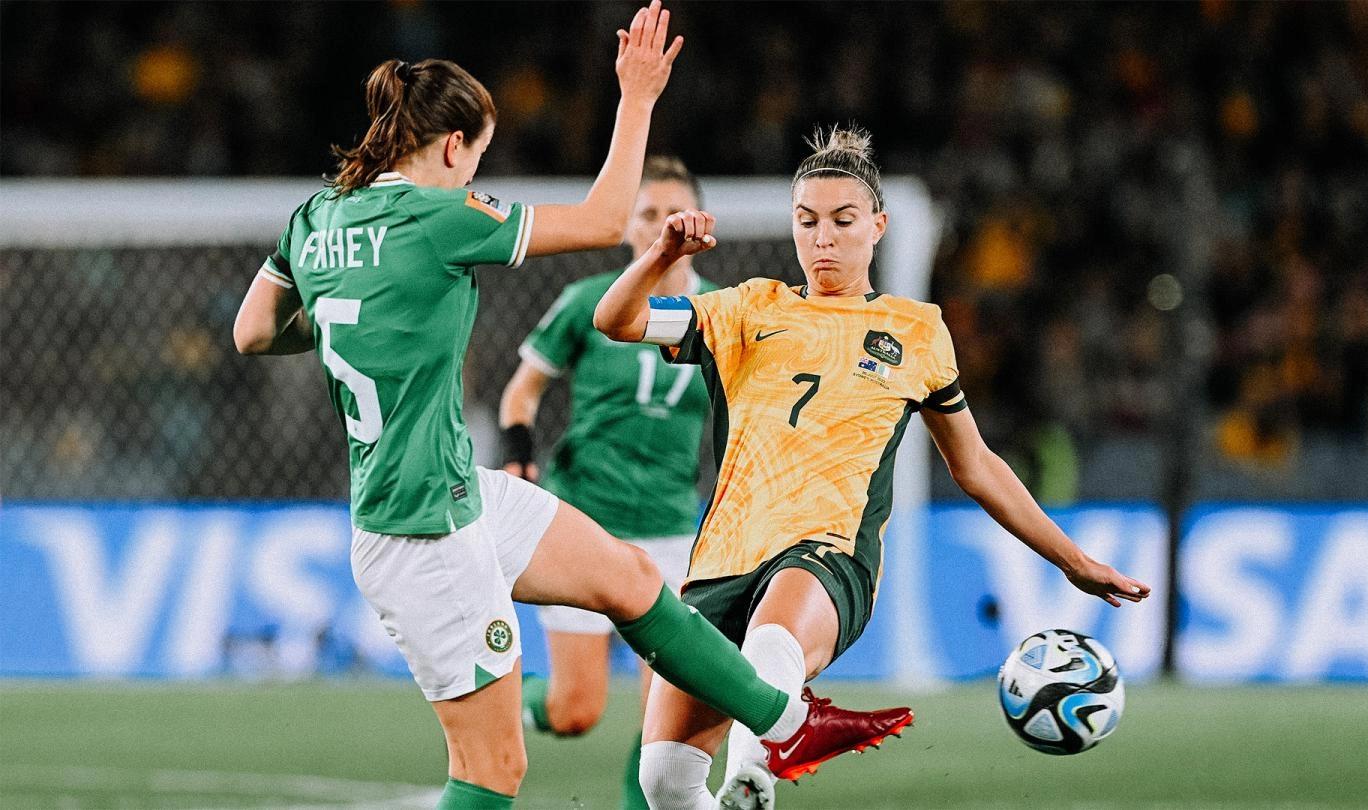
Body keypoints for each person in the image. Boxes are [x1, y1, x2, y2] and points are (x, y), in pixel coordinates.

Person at [231, 6, 911, 807]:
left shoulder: (312, 219)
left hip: (459, 491)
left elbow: (253, 333)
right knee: (492, 774)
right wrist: (637, 97)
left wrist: (367, 314)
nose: (472, 177)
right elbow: (601, 219)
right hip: (421, 531)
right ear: (453, 147)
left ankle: (785, 723)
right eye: (476, 159)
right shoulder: (439, 216)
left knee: (628, 578)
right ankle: (781, 722)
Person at [593, 125, 1153, 810]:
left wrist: (1069, 559)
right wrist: (661, 255)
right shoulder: (745, 309)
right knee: (664, 782)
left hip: (827, 556)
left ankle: (754, 775)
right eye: (807, 221)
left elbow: (974, 464)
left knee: (775, 638)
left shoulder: (915, 330)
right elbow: (615, 319)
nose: (822, 238)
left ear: (878, 226)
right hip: (722, 561)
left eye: (842, 220)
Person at [497, 155, 717, 810]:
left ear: (702, 224)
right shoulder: (588, 302)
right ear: (627, 227)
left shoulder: (726, 313)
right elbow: (522, 393)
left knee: (666, 726)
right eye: (647, 213)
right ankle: (501, 701)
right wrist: (518, 456)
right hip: (584, 522)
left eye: (674, 210)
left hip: (674, 531)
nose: (661, 224)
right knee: (575, 710)